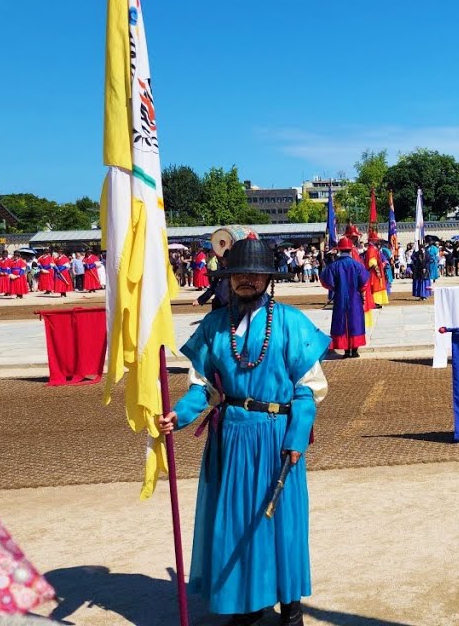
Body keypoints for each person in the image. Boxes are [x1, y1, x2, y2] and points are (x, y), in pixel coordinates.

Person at [157, 237, 330, 626]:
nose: (247, 280)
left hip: (277, 438)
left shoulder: (290, 322)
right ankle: (246, 605)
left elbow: (308, 389)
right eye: (239, 274)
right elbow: (202, 387)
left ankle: (290, 609)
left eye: (255, 274)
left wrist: (297, 438)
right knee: (235, 522)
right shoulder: (214, 326)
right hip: (230, 440)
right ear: (229, 278)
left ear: (268, 279)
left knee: (280, 522)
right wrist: (178, 415)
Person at [321, 237, 370, 358]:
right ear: (350, 250)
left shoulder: (334, 266)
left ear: (339, 250)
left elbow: (325, 281)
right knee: (355, 321)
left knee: (341, 322)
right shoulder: (357, 265)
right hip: (355, 298)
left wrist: (335, 288)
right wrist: (360, 291)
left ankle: (346, 351)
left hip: (340, 298)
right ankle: (355, 350)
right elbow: (364, 282)